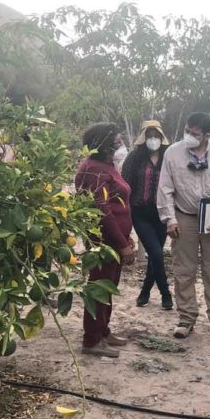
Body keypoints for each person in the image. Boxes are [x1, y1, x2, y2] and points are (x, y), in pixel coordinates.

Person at [157, 112, 210, 339]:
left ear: (208, 135)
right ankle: (186, 318)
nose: (190, 137)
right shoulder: (173, 153)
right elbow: (165, 188)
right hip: (184, 217)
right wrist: (169, 219)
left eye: (196, 134)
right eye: (188, 131)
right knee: (184, 270)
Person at [75, 123, 135, 357]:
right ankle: (91, 340)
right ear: (104, 141)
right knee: (99, 288)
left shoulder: (106, 166)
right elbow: (101, 209)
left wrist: (125, 238)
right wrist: (121, 243)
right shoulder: (94, 169)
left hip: (116, 237)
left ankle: (102, 331)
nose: (119, 140)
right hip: (104, 240)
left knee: (108, 286)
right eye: (115, 136)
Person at [121, 120, 174, 310]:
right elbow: (125, 186)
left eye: (156, 136)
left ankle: (145, 291)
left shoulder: (168, 156)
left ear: (161, 137)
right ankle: (166, 293)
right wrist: (125, 214)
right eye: (149, 136)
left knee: (155, 255)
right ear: (144, 137)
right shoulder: (134, 158)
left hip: (162, 213)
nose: (153, 139)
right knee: (156, 253)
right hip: (140, 212)